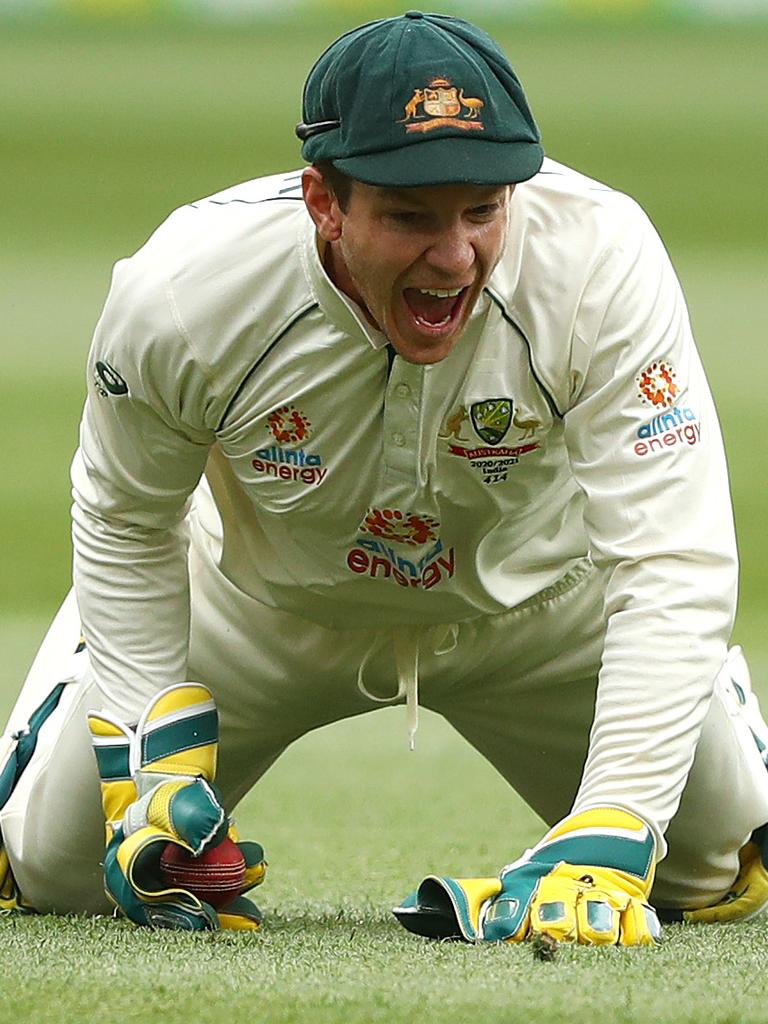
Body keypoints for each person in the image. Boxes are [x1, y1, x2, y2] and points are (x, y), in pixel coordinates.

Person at [1, 10, 767, 944]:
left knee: (703, 871)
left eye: (483, 211)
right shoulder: (184, 291)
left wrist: (617, 817)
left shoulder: (600, 257)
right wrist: (145, 757)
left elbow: (673, 553)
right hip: (260, 600)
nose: (454, 257)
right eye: (410, 216)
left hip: (541, 604)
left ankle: (714, 717)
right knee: (63, 873)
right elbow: (124, 518)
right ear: (323, 199)